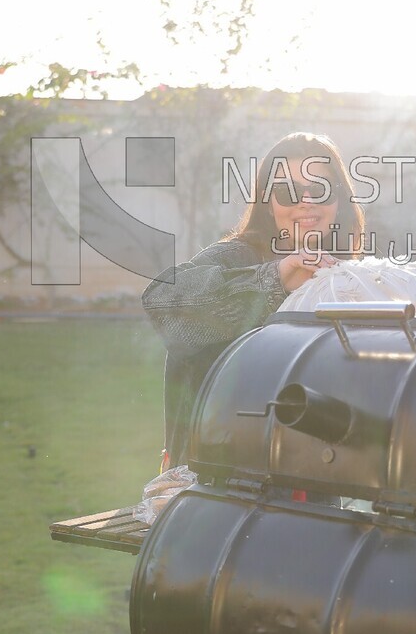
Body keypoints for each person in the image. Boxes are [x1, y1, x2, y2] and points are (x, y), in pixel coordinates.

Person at [142, 131, 366, 468]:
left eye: (320, 188)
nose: (306, 201)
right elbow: (162, 300)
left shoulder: (344, 277)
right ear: (268, 203)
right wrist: (273, 279)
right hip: (216, 484)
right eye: (286, 191)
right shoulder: (237, 256)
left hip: (311, 483)